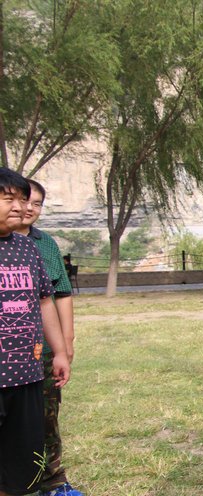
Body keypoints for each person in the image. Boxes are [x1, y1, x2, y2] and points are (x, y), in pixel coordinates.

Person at [0, 168, 70, 496]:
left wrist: (59, 351)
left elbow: (45, 301)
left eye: (22, 199)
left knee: (20, 465)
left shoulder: (29, 249)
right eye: (7, 198)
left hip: (27, 374)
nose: (19, 206)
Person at [13, 180, 82, 496]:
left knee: (47, 412)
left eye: (36, 203)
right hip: (8, 352)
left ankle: (52, 480)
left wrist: (65, 343)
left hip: (39, 347)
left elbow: (58, 294)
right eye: (23, 200)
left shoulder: (42, 244)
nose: (28, 208)